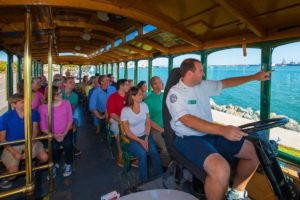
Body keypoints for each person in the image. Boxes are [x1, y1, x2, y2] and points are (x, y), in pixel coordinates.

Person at [166, 58, 273, 200]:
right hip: (188, 138)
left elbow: (227, 82)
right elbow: (187, 120)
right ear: (190, 73)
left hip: (209, 134)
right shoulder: (175, 93)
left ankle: (236, 193)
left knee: (253, 152)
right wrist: (222, 130)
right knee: (221, 168)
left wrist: (254, 77)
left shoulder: (202, 86)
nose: (203, 74)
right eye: (201, 71)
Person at [0, 93, 48, 188]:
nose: (27, 103)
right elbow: (2, 138)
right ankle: (3, 176)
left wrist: (28, 149)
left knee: (44, 158)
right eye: (23, 102)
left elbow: (34, 133)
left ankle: (35, 166)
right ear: (13, 105)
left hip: (30, 141)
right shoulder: (5, 118)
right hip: (12, 145)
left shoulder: (33, 113)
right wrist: (14, 153)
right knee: (13, 174)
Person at [121, 87, 162, 183]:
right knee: (142, 154)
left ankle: (160, 176)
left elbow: (148, 123)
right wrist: (141, 142)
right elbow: (127, 130)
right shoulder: (125, 111)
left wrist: (146, 137)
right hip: (131, 138)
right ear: (133, 97)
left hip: (144, 135)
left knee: (154, 152)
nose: (142, 96)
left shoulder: (144, 106)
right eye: (139, 94)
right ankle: (144, 181)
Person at [39, 86, 73, 178]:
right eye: (58, 93)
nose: (61, 94)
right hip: (52, 133)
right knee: (53, 148)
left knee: (68, 145)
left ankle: (68, 163)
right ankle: (54, 164)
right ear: (51, 96)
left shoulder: (66, 103)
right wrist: (54, 135)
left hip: (66, 130)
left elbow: (70, 119)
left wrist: (65, 133)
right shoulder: (43, 108)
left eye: (60, 92)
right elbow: (43, 126)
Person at [144, 76, 170, 168]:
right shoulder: (148, 101)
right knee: (166, 148)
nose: (163, 84)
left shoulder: (165, 96)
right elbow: (148, 120)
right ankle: (165, 167)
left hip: (168, 127)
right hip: (155, 129)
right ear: (154, 85)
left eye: (162, 82)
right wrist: (161, 129)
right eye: (160, 82)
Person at [106, 79, 129, 167]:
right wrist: (122, 122)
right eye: (127, 85)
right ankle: (120, 154)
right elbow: (112, 114)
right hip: (115, 118)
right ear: (121, 86)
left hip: (126, 118)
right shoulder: (112, 97)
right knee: (119, 132)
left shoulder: (129, 96)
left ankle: (134, 153)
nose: (128, 86)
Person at [62, 77, 81, 156]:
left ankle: (72, 145)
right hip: (58, 117)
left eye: (73, 82)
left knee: (75, 123)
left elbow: (71, 110)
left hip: (68, 116)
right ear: (64, 84)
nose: (73, 84)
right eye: (70, 82)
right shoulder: (60, 94)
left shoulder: (75, 96)